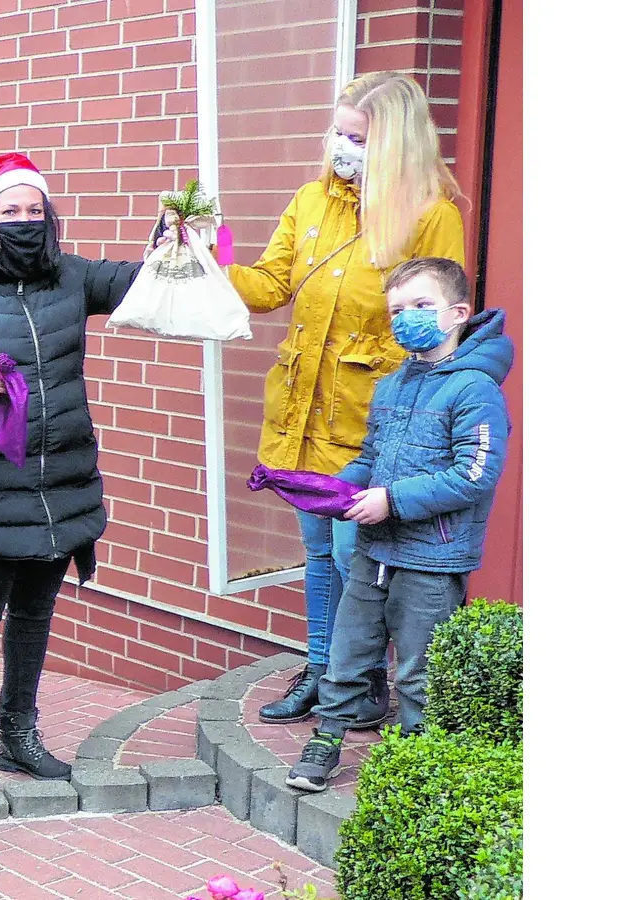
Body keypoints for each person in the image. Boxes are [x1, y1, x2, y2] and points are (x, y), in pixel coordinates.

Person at [225, 71, 467, 726]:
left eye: (356, 137)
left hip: (370, 425)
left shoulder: (430, 217)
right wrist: (204, 261)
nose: (341, 145)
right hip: (302, 416)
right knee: (319, 554)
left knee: (350, 554)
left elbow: (434, 324)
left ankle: (362, 683)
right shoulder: (312, 202)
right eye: (337, 130)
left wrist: (382, 377)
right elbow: (272, 282)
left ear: (391, 145)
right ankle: (323, 670)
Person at [0, 152, 146, 789]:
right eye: (10, 211)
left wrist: (186, 243)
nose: (25, 220)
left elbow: (148, 282)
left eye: (35, 209)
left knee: (36, 616)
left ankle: (19, 733)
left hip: (60, 485)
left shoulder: (72, 278)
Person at [285, 256, 512, 793]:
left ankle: (416, 758)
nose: (406, 317)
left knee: (418, 670)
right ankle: (327, 738)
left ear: (457, 313)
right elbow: (371, 456)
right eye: (397, 310)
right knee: (348, 650)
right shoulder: (390, 385)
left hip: (432, 558)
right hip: (374, 550)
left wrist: (392, 500)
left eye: (421, 306)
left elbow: (473, 476)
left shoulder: (475, 388)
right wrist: (338, 487)